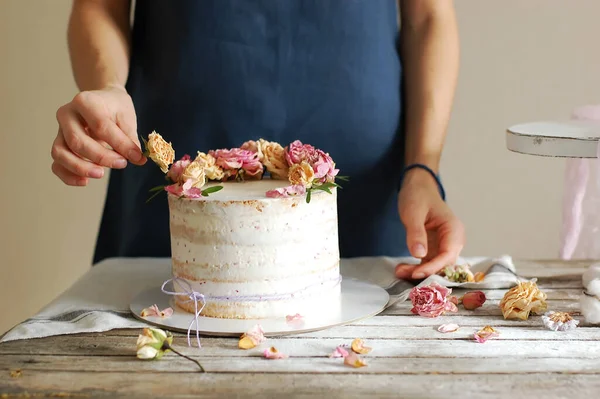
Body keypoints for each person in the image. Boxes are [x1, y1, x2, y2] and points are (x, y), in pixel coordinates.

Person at [52, 0, 465, 280]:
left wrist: (423, 167)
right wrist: (107, 88)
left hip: (365, 198)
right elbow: (98, 6)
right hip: (176, 191)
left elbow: (428, 16)